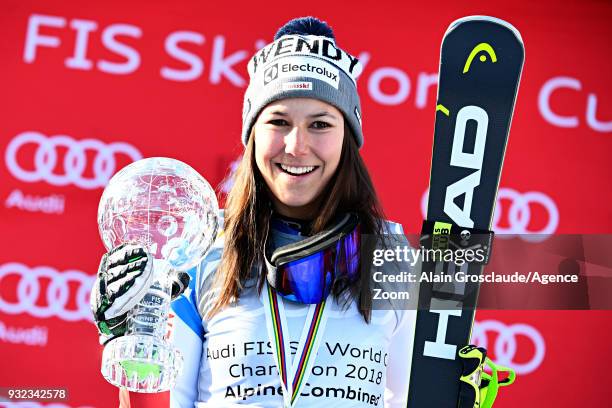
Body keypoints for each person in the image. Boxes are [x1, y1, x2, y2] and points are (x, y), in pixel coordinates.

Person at [91, 16, 417, 407]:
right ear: (252, 133)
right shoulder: (201, 254)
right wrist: (133, 343)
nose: (297, 145)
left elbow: (422, 395)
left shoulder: (395, 256)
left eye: (320, 124)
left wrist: (462, 394)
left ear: (347, 136)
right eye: (278, 121)